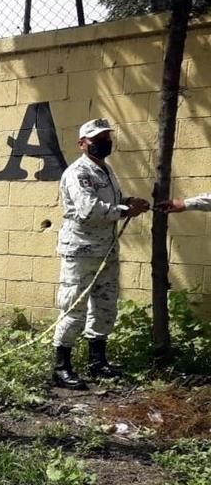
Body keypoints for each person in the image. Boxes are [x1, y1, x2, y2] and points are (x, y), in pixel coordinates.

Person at [52, 118, 150, 390]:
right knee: (74, 308)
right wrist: (125, 211)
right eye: (97, 139)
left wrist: (127, 201)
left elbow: (109, 202)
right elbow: (89, 210)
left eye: (107, 137)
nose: (105, 142)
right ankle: (61, 367)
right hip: (82, 251)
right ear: (83, 144)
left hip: (106, 249)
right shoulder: (78, 173)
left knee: (105, 306)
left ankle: (98, 362)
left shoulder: (105, 169)